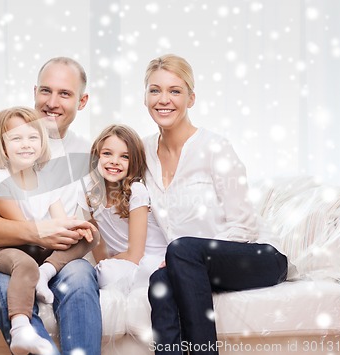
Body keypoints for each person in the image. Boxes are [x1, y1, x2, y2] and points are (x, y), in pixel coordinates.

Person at [0, 57, 102, 355]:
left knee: (81, 279)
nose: (52, 102)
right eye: (45, 91)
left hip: (55, 260)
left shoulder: (86, 153)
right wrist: (36, 232)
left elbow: (93, 219)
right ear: (34, 91)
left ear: (82, 101)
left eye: (65, 93)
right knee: (9, 283)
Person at [143, 54, 288, 355]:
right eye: (155, 90)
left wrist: (188, 258)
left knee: (182, 249)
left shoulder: (214, 148)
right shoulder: (143, 152)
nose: (163, 99)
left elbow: (244, 225)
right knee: (159, 280)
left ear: (191, 98)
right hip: (188, 262)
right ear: (145, 97)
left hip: (256, 256)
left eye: (175, 90)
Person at [0, 107, 98, 354]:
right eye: (16, 138)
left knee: (90, 235)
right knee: (25, 264)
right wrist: (54, 234)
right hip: (8, 249)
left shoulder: (46, 181)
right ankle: (21, 328)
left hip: (40, 247)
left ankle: (46, 272)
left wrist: (76, 229)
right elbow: (22, 228)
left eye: (32, 137)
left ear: (42, 143)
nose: (26, 145)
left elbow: (60, 219)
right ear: (2, 146)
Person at [80, 124, 168, 293]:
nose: (114, 161)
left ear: (134, 162)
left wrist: (111, 262)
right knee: (103, 273)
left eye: (124, 157)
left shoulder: (136, 191)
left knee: (113, 271)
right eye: (107, 153)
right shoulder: (91, 198)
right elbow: (101, 257)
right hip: (121, 264)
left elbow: (135, 255)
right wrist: (109, 264)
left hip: (149, 260)